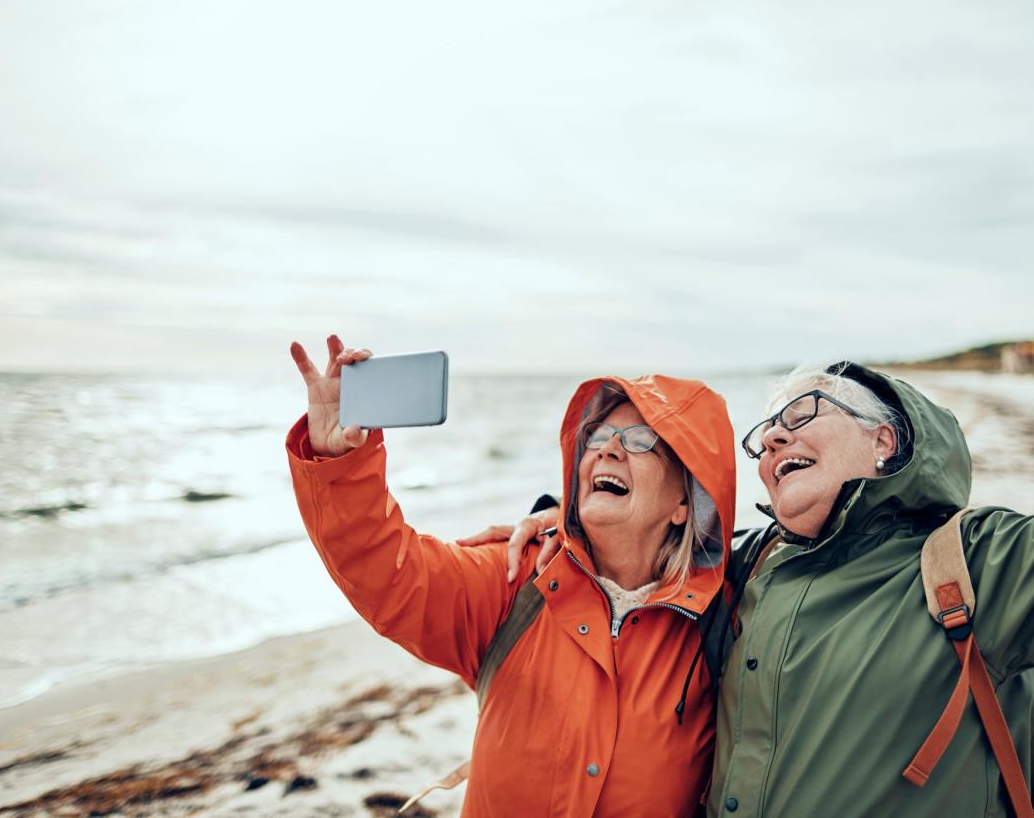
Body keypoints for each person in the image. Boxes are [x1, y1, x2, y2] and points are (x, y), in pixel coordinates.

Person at [482, 360, 1034, 816]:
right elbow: (646, 554)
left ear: (887, 439)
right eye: (767, 429)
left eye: (805, 411)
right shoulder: (749, 568)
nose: (773, 437)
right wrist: (563, 524)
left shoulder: (983, 564)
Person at [285, 335, 736, 817]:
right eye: (599, 438)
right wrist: (338, 463)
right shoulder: (517, 579)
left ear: (688, 502)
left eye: (641, 440)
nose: (608, 452)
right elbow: (390, 573)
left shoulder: (723, 623)